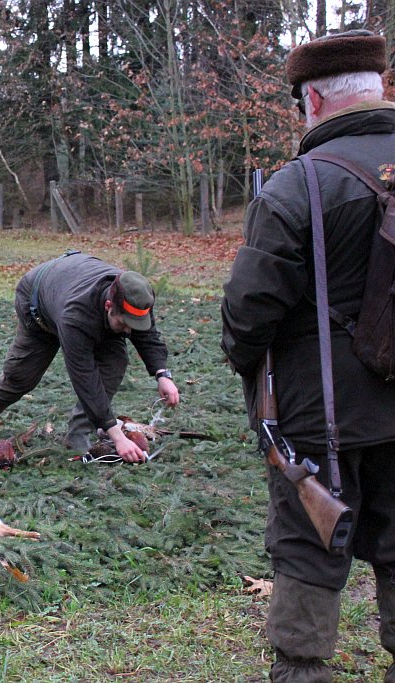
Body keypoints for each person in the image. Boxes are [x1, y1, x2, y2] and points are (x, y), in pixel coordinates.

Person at [221, 29, 395, 682]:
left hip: (320, 415)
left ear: (312, 102)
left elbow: (247, 315)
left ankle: (301, 669)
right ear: (380, 87)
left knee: (307, 550)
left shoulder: (296, 188)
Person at [0, 251, 179, 461]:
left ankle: (78, 433)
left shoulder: (137, 297)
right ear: (109, 306)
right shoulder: (76, 315)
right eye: (124, 324)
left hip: (73, 289)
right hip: (38, 304)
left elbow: (147, 335)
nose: (129, 331)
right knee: (22, 376)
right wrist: (117, 436)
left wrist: (162, 374)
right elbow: (85, 377)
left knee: (114, 363)